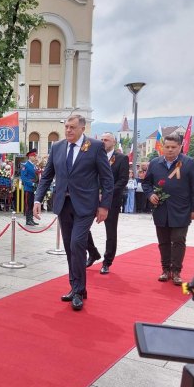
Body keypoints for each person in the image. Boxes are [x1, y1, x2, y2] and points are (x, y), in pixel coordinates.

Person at [33, 115, 114, 311]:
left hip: (86, 205)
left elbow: (107, 178)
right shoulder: (58, 147)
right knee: (70, 248)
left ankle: (78, 290)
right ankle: (77, 287)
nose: (68, 130)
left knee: (77, 243)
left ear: (82, 129)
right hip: (64, 204)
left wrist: (104, 206)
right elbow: (47, 176)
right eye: (66, 127)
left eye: (72, 127)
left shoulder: (94, 147)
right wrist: (37, 199)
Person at [142, 133, 194, 285]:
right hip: (160, 209)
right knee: (163, 241)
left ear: (180, 147)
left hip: (182, 209)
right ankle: (165, 269)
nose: (169, 150)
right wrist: (150, 195)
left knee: (178, 240)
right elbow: (146, 183)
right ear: (162, 147)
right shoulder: (155, 163)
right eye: (167, 147)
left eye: (173, 147)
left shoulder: (190, 163)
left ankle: (176, 271)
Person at [86, 133, 129, 273]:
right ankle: (92, 253)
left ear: (114, 142)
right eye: (102, 140)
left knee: (110, 233)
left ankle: (107, 262)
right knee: (82, 227)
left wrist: (105, 194)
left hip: (111, 201)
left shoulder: (121, 158)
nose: (103, 142)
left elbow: (122, 180)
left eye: (107, 140)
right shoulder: (94, 156)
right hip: (91, 198)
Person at [20, 149, 39, 225]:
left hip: (34, 187)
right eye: (34, 156)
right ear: (30, 156)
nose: (35, 157)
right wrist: (32, 184)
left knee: (32, 204)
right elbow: (24, 178)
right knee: (28, 204)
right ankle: (28, 220)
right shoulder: (25, 165)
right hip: (28, 188)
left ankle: (31, 219)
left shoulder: (33, 165)